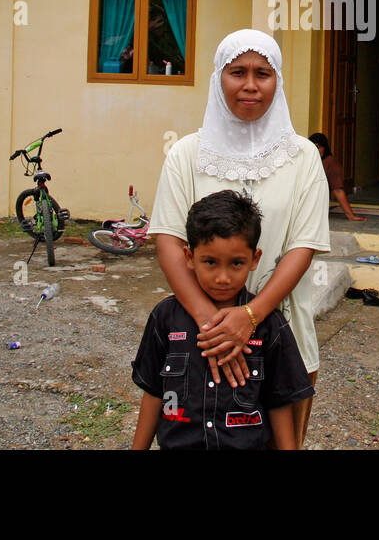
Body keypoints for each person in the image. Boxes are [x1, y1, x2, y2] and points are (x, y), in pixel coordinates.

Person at [149, 29, 330, 447]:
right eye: (237, 72)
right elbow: (168, 242)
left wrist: (249, 317)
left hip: (284, 336)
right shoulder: (186, 155)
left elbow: (302, 246)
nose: (250, 85)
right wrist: (214, 326)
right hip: (200, 338)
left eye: (262, 73)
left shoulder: (303, 157)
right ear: (219, 78)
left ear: (277, 81)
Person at [130, 189, 314, 450]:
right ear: (189, 257)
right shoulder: (165, 318)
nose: (223, 278)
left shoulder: (268, 325)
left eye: (236, 263)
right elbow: (153, 392)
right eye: (210, 262)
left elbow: (280, 404)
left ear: (254, 259)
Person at [308, 132, 366, 221]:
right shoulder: (306, 160)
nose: (315, 151)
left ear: (325, 148)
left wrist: (351, 215)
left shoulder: (329, 162)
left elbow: (338, 190)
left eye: (318, 147)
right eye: (312, 147)